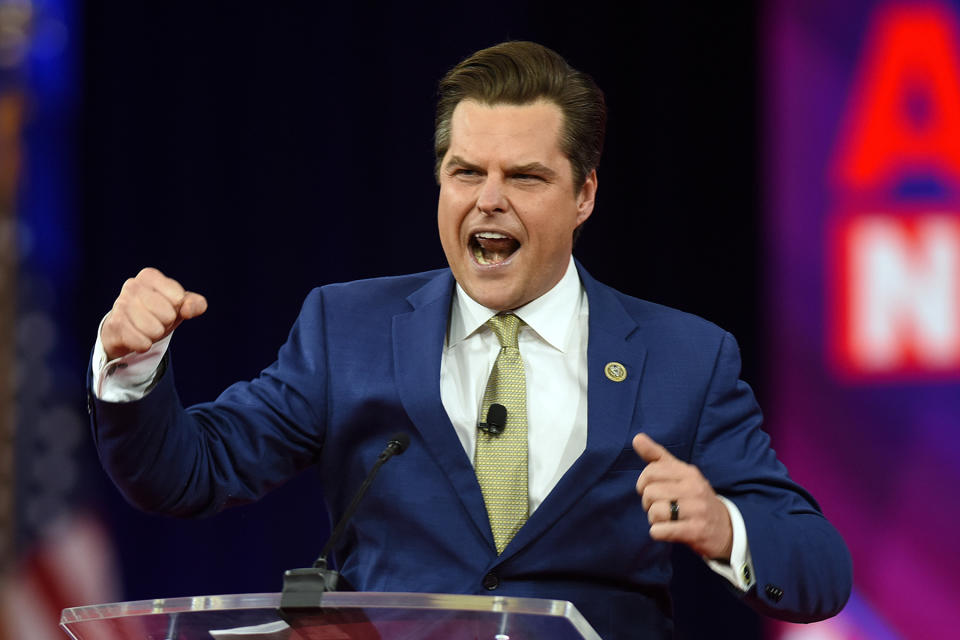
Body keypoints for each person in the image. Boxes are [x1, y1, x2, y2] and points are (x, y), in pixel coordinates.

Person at [88, 41, 851, 639]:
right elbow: (186, 474)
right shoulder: (347, 330)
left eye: (523, 176)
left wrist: (725, 527)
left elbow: (819, 569)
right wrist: (132, 369)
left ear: (584, 193)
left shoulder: (685, 358)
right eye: (465, 172)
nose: (488, 200)